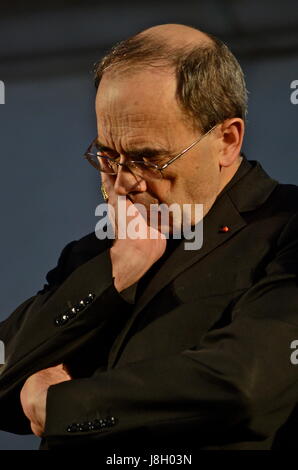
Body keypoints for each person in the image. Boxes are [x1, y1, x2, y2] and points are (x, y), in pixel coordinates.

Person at [0, 23, 298, 451]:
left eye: (147, 158)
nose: (122, 183)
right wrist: (115, 272)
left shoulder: (285, 229)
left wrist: (63, 405)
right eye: (107, 155)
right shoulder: (98, 252)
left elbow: (243, 383)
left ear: (227, 140)